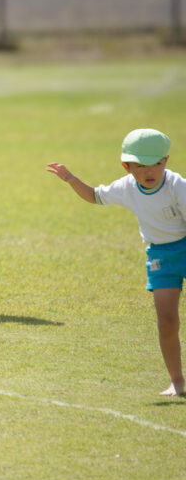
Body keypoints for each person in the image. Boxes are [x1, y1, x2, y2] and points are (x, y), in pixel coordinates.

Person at [48, 128, 186, 396]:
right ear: (127, 167)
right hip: (160, 256)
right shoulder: (126, 187)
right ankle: (177, 381)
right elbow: (95, 196)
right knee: (167, 321)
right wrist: (71, 179)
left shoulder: (177, 186)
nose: (150, 171)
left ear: (166, 161)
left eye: (157, 163)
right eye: (141, 165)